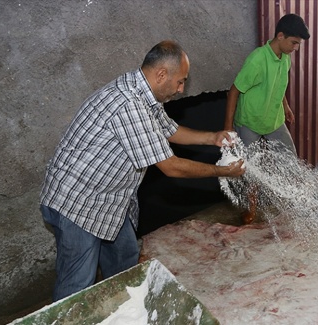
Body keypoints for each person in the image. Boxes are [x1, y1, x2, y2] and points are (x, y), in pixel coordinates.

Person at [39, 40, 245, 302]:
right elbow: (171, 167)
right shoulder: (129, 104)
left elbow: (170, 131)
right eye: (180, 81)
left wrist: (212, 137)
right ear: (161, 75)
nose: (182, 89)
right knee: (77, 284)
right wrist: (222, 171)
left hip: (110, 199)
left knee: (124, 258)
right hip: (78, 203)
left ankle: (124, 311)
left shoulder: (146, 94)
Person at [224, 13, 310, 224]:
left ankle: (291, 198)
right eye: (294, 43)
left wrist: (286, 106)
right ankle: (250, 207)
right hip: (250, 121)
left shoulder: (286, 58)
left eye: (298, 44)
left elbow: (279, 86)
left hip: (274, 119)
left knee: (290, 158)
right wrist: (227, 128)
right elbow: (234, 90)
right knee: (250, 167)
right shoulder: (257, 59)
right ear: (280, 36)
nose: (295, 48)